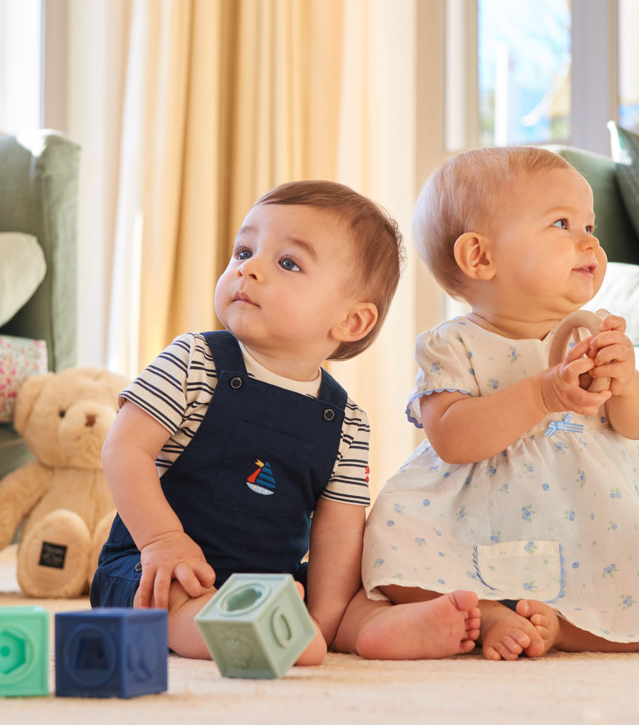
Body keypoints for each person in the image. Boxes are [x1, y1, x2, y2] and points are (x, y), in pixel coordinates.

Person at [339, 146, 639, 661]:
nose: (588, 241)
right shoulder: (453, 345)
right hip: (474, 509)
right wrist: (541, 394)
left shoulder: (594, 335)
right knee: (392, 541)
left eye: (591, 227)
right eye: (562, 223)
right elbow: (451, 439)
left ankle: (568, 629)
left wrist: (629, 385)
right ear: (480, 257)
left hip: (590, 511)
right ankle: (482, 610)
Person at [90, 180, 404, 665]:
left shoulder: (348, 423)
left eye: (288, 263)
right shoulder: (194, 359)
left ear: (352, 322)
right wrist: (161, 540)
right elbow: (124, 449)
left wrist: (322, 618)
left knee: (359, 594)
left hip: (269, 582)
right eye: (243, 251)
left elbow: (338, 534)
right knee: (163, 598)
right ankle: (239, 629)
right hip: (156, 568)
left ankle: (378, 628)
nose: (248, 269)